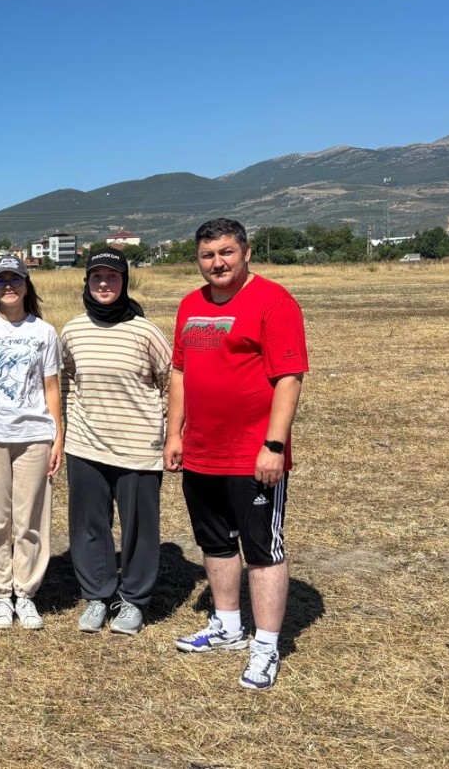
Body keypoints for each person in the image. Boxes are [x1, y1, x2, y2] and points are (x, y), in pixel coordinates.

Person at [164, 218, 308, 691]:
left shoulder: (274, 301)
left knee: (262, 549)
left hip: (253, 454)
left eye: (226, 252)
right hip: (202, 450)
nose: (217, 263)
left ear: (246, 253)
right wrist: (176, 433)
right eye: (208, 255)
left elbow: (289, 377)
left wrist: (274, 445)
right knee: (216, 543)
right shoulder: (190, 304)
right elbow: (181, 374)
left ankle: (265, 645)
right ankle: (226, 626)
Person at [60, 249, 171, 636]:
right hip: (85, 445)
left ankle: (133, 600)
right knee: (89, 525)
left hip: (139, 447)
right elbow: (69, 379)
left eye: (112, 277)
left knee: (139, 528)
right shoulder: (72, 330)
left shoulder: (146, 331)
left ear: (124, 282)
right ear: (87, 283)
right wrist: (72, 424)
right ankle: (96, 594)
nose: (104, 284)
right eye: (96, 278)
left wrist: (169, 433)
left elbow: (170, 383)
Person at [0, 256, 64, 631]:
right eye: (0, 280)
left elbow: (52, 388)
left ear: (26, 284)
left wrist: (58, 438)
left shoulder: (44, 332)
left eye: (15, 279)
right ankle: (2, 594)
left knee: (32, 517)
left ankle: (27, 592)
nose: (8, 286)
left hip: (35, 435)